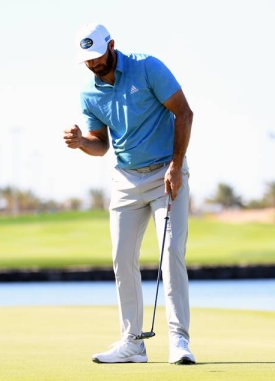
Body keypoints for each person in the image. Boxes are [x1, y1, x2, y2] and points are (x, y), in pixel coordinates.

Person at [63, 23, 195, 365]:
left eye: (97, 56)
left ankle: (179, 341)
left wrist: (176, 165)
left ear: (112, 46)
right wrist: (81, 144)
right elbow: (101, 145)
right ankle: (133, 343)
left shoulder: (146, 67)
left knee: (171, 255)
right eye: (87, 60)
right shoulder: (89, 94)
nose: (93, 64)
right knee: (122, 260)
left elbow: (184, 112)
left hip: (166, 173)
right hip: (125, 180)